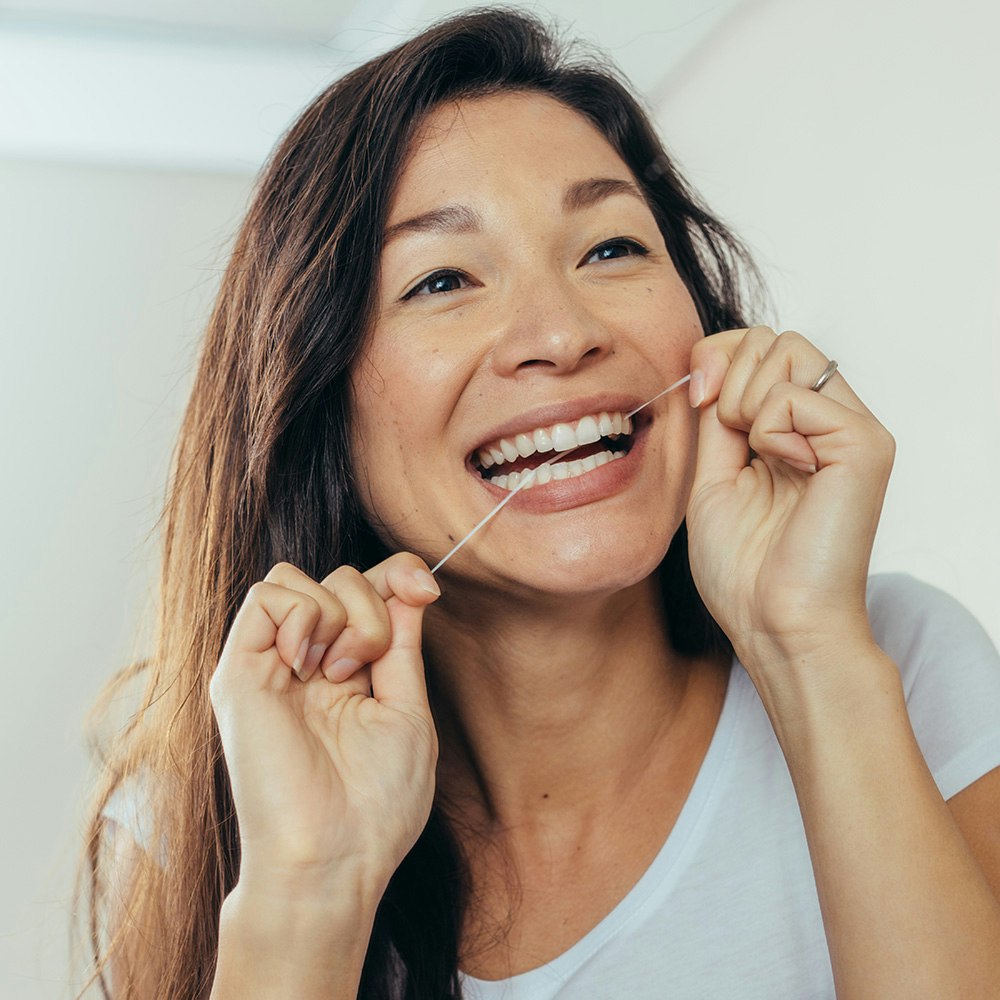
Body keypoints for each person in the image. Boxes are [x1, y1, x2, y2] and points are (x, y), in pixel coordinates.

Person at [79, 8, 1000, 999]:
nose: (560, 334)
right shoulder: (201, 824)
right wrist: (308, 894)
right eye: (442, 278)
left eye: (608, 249)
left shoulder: (898, 660)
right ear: (316, 397)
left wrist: (808, 653)